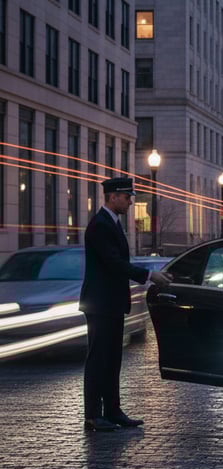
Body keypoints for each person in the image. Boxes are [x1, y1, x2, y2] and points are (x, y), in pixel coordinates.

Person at [80, 177, 172, 431]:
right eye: (126, 196)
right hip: (100, 303)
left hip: (111, 302)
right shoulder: (100, 225)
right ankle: (92, 415)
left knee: (112, 359)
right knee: (98, 359)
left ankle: (112, 411)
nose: (131, 201)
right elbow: (113, 263)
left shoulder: (111, 223)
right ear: (112, 197)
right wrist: (149, 275)